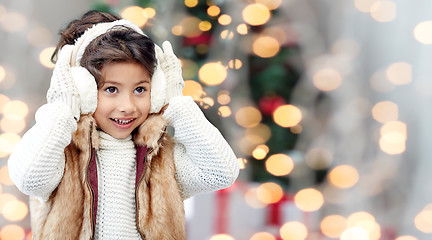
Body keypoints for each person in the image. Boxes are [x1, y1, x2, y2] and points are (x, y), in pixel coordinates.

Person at [8, 10, 239, 240]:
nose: (127, 106)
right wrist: (63, 110)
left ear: (156, 90)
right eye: (111, 89)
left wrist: (177, 105)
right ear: (82, 91)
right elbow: (29, 178)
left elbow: (220, 173)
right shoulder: (59, 151)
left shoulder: (161, 156)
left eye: (140, 89)